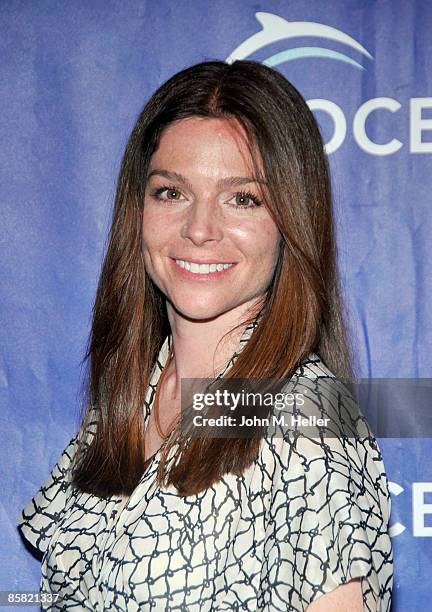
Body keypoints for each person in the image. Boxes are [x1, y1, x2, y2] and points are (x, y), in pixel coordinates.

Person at [17, 60, 393, 611]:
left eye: (243, 198)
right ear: (138, 209)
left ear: (293, 220)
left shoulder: (309, 420)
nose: (199, 229)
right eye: (171, 192)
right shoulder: (126, 401)